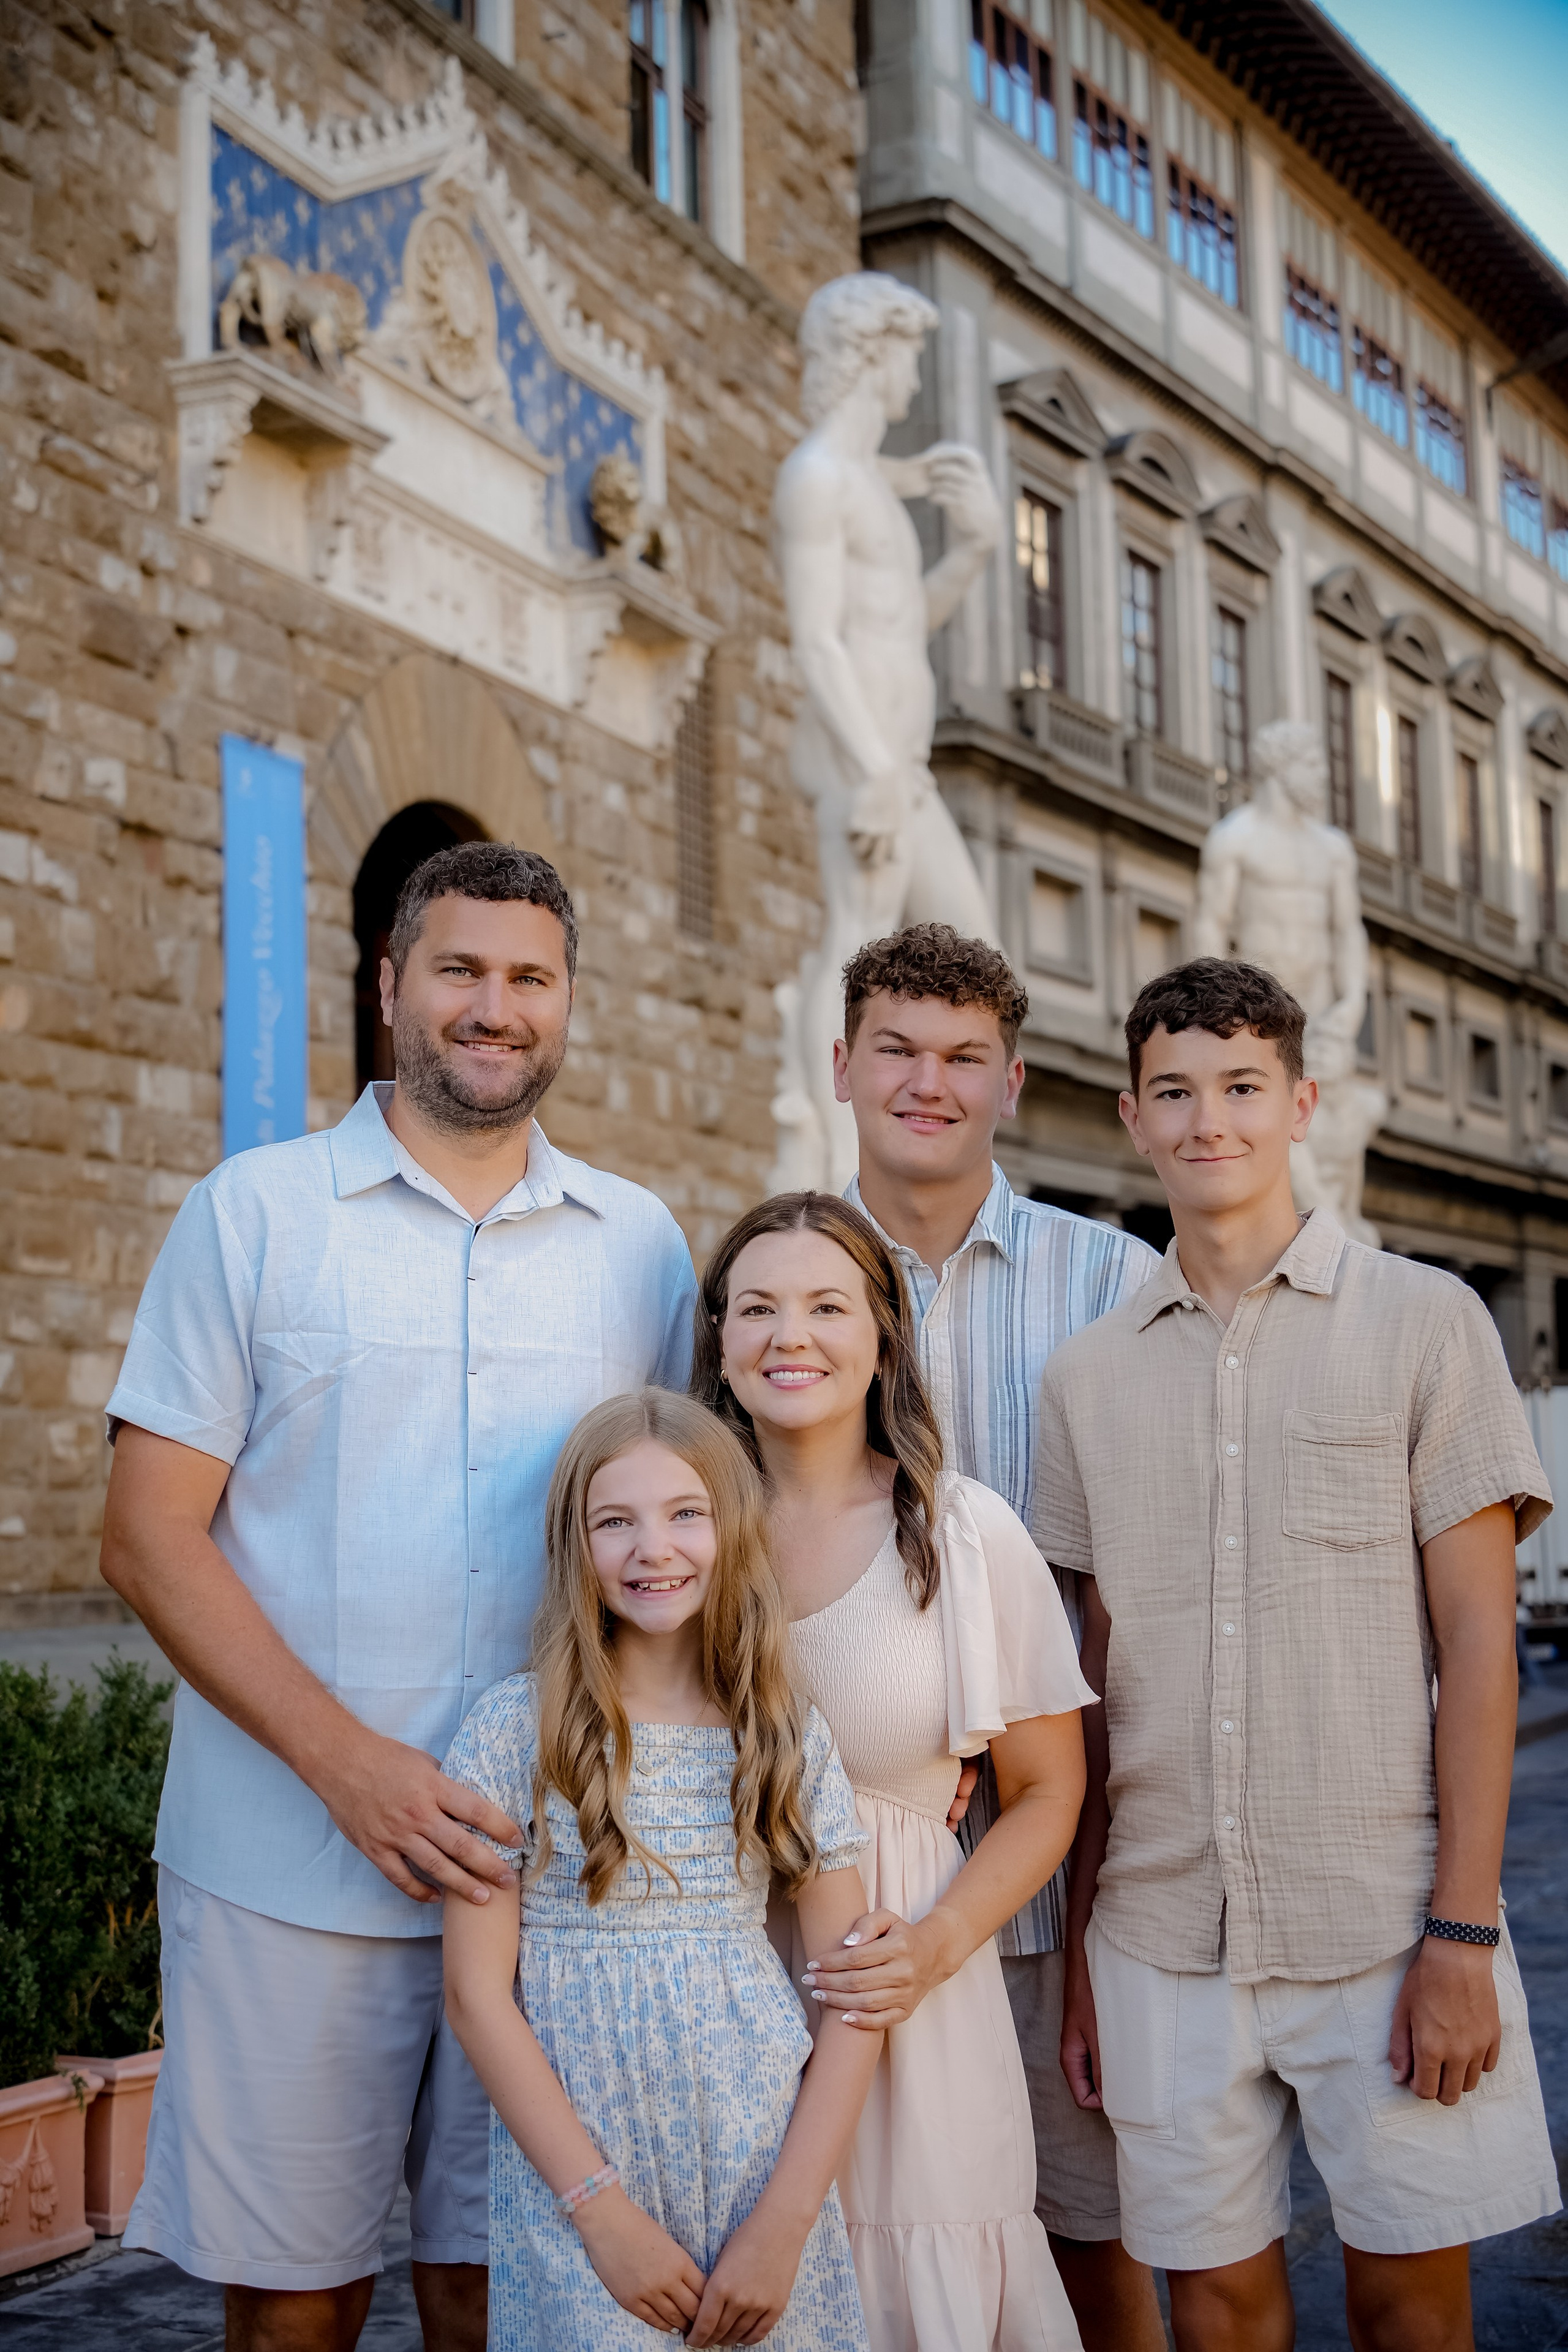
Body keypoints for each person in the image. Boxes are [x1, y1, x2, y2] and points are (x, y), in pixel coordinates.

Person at [99, 842, 697, 2352]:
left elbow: (679, 1547)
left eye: (527, 979)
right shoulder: (252, 1214)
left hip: (556, 1879)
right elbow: (148, 1538)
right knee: (296, 2302)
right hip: (288, 1863)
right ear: (388, 987)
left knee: (508, 2294)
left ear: (565, 1005)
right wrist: (345, 1765)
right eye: (459, 970)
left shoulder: (641, 1246)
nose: (492, 1008)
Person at [1042, 957, 1561, 2352]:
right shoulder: (1083, 1378)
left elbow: (1476, 1644)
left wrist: (1460, 1931)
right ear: (1130, 1117)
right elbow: (1087, 1686)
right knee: (1211, 2310)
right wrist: (1086, 1950)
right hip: (1157, 1931)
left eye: (1239, 1088)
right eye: (1172, 1091)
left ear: (1298, 1103)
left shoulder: (1423, 1322)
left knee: (1408, 2307)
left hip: (1382, 1923)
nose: (1206, 1119)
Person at [831, 921, 1166, 2352]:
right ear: (839, 1063)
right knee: (848, 2242)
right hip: (836, 1870)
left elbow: (1142, 1584)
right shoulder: (767, 1274)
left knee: (1092, 2235)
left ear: (1012, 1082)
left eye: (964, 1058)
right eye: (896, 1050)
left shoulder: (1109, 1281)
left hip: (1060, 1858)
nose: (928, 1083)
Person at [693, 1191, 1093, 2351]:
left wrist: (934, 1945)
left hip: (904, 1992)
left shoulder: (962, 1533)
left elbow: (1050, 1792)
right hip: (712, 2004)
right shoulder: (677, 1531)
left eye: (827, 1305)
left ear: (883, 1336)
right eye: (757, 1306)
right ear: (719, 1336)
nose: (790, 1335)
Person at [441, 1389, 879, 2350]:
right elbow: (477, 1997)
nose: (655, 1548)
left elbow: (852, 1997)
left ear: (732, 1528)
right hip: (580, 2185)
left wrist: (787, 2222)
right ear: (575, 1545)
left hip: (758, 2166)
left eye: (687, 1514)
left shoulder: (784, 1736)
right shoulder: (517, 1731)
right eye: (616, 1521)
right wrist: (599, 2213)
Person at [770, 271, 1003, 1192]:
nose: (916, 378)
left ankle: (947, 1158)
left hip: (902, 766)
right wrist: (868, 767)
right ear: (872, 355)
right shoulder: (818, 477)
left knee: (978, 963)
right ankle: (831, 1165)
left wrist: (975, 550)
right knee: (855, 943)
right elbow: (815, 639)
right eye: (908, 354)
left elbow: (903, 626)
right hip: (860, 757)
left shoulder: (867, 482)